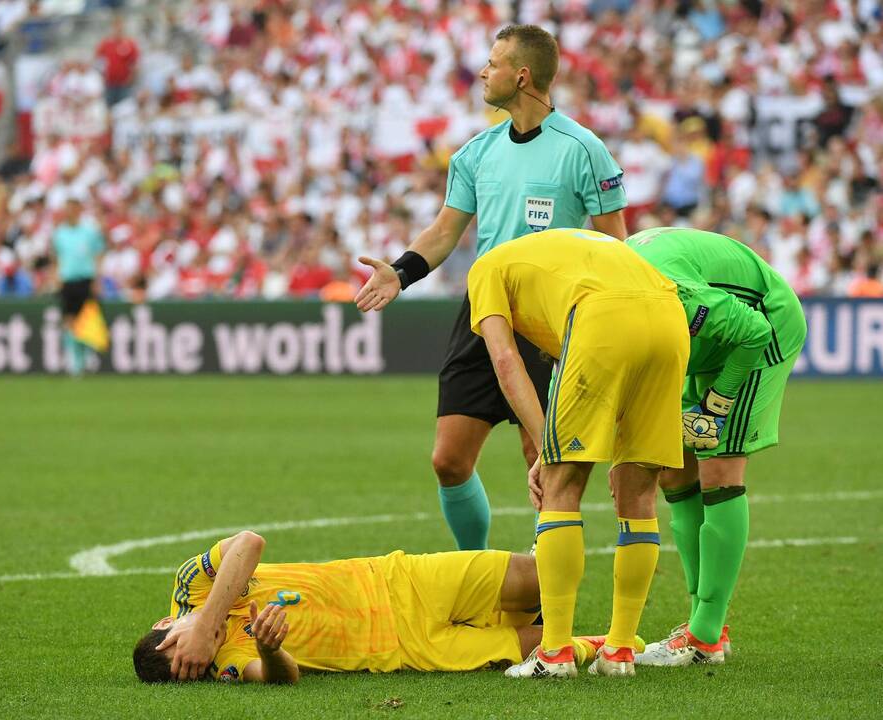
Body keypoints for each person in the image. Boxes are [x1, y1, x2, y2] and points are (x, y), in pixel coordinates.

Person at [355, 24, 628, 553]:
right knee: (448, 460)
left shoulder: (584, 150)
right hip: (485, 311)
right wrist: (400, 270)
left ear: (521, 76)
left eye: (494, 62)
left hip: (552, 320)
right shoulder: (475, 153)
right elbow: (443, 232)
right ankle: (476, 571)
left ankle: (544, 600)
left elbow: (617, 245)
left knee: (544, 458)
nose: (483, 71)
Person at [466, 227, 689, 678]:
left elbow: (506, 361)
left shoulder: (485, 268)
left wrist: (545, 448)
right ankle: (620, 651)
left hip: (603, 318)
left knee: (562, 484)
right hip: (670, 316)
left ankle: (554, 654)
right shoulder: (573, 249)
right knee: (640, 494)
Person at [624, 226, 807, 666]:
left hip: (759, 327)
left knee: (719, 466)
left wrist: (717, 402)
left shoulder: (674, 296)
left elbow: (755, 330)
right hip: (706, 341)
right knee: (675, 468)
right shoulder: (613, 294)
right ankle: (703, 623)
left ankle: (704, 636)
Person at [132, 531, 616, 683]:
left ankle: (519, 603)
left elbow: (248, 543)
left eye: (185, 645)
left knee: (547, 575)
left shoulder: (190, 585)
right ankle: (624, 644)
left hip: (398, 580)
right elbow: (283, 678)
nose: (204, 648)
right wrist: (269, 648)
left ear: (166, 623)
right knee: (550, 649)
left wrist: (205, 623)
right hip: (405, 646)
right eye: (194, 663)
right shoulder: (226, 664)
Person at [51, 196, 104, 376]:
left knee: (87, 319)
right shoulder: (59, 233)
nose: (70, 213)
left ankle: (86, 357)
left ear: (79, 210)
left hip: (85, 278)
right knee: (69, 320)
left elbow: (98, 254)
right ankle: (75, 361)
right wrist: (56, 276)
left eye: (73, 209)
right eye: (67, 209)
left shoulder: (89, 231)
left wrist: (97, 279)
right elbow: (57, 257)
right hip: (68, 280)